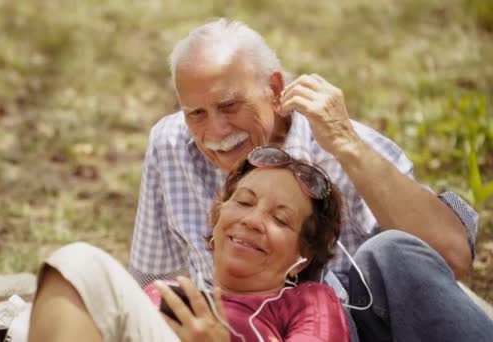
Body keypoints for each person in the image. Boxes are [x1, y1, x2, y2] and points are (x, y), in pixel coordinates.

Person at [127, 18, 493, 341]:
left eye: (229, 106)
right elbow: (153, 280)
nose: (216, 131)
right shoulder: (172, 145)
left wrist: (346, 144)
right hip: (226, 328)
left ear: (273, 88)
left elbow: (451, 258)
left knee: (390, 251)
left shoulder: (342, 144)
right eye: (197, 113)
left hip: (361, 328)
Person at [29, 147, 351, 342]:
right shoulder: (163, 293)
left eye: (280, 220)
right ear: (218, 216)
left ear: (304, 255)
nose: (252, 221)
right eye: (243, 202)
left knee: (82, 263)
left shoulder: (309, 302)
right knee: (76, 268)